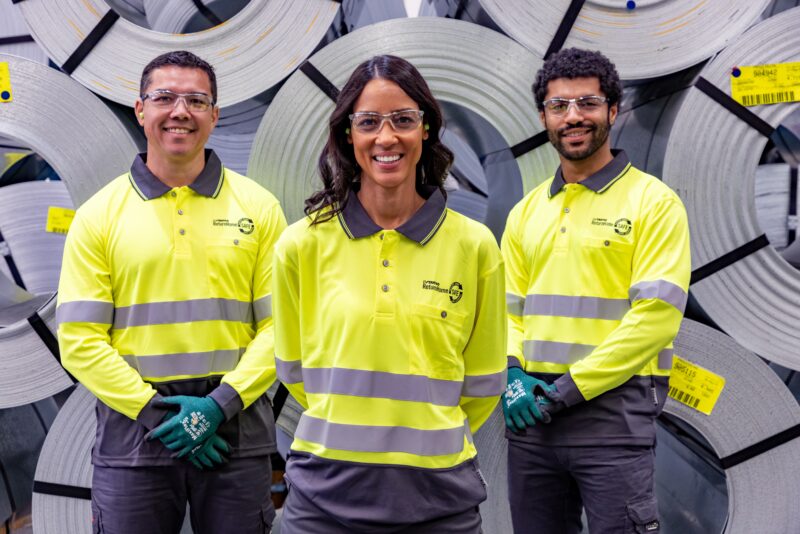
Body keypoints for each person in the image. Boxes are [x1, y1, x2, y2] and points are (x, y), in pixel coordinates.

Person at [272, 54, 507, 533]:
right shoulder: (301, 245)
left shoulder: (474, 246)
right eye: (368, 122)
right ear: (347, 135)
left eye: (403, 119)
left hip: (438, 501)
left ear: (426, 130)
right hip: (323, 499)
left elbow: (483, 383)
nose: (386, 137)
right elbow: (294, 371)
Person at [57, 50, 286, 534]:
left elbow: (282, 328)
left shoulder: (259, 207)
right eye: (164, 97)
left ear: (215, 115)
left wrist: (216, 408)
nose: (180, 111)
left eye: (197, 100)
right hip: (135, 439)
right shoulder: (100, 216)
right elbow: (79, 338)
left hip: (235, 433)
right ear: (140, 110)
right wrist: (159, 414)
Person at [501, 48, 690, 534]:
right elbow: (507, 310)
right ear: (543, 116)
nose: (573, 117)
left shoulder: (653, 202)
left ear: (612, 109)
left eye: (587, 103)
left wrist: (567, 390)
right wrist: (512, 372)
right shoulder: (525, 213)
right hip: (532, 423)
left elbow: (655, 319)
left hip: (612, 418)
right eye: (559, 106)